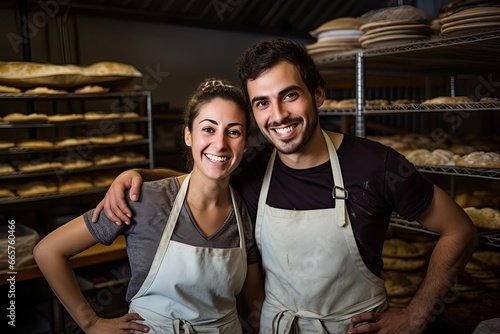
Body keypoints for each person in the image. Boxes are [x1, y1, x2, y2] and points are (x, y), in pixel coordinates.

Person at [93, 38, 479, 333]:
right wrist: (139, 175)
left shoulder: (377, 165)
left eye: (289, 96)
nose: (277, 115)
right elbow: (204, 174)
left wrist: (415, 315)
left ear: (318, 94)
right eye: (261, 103)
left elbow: (459, 230)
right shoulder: (254, 169)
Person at [34, 79, 264, 334]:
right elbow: (48, 251)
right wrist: (90, 322)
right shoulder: (145, 200)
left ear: (244, 143)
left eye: (233, 132)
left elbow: (253, 303)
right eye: (208, 129)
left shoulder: (244, 212)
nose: (220, 143)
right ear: (188, 135)